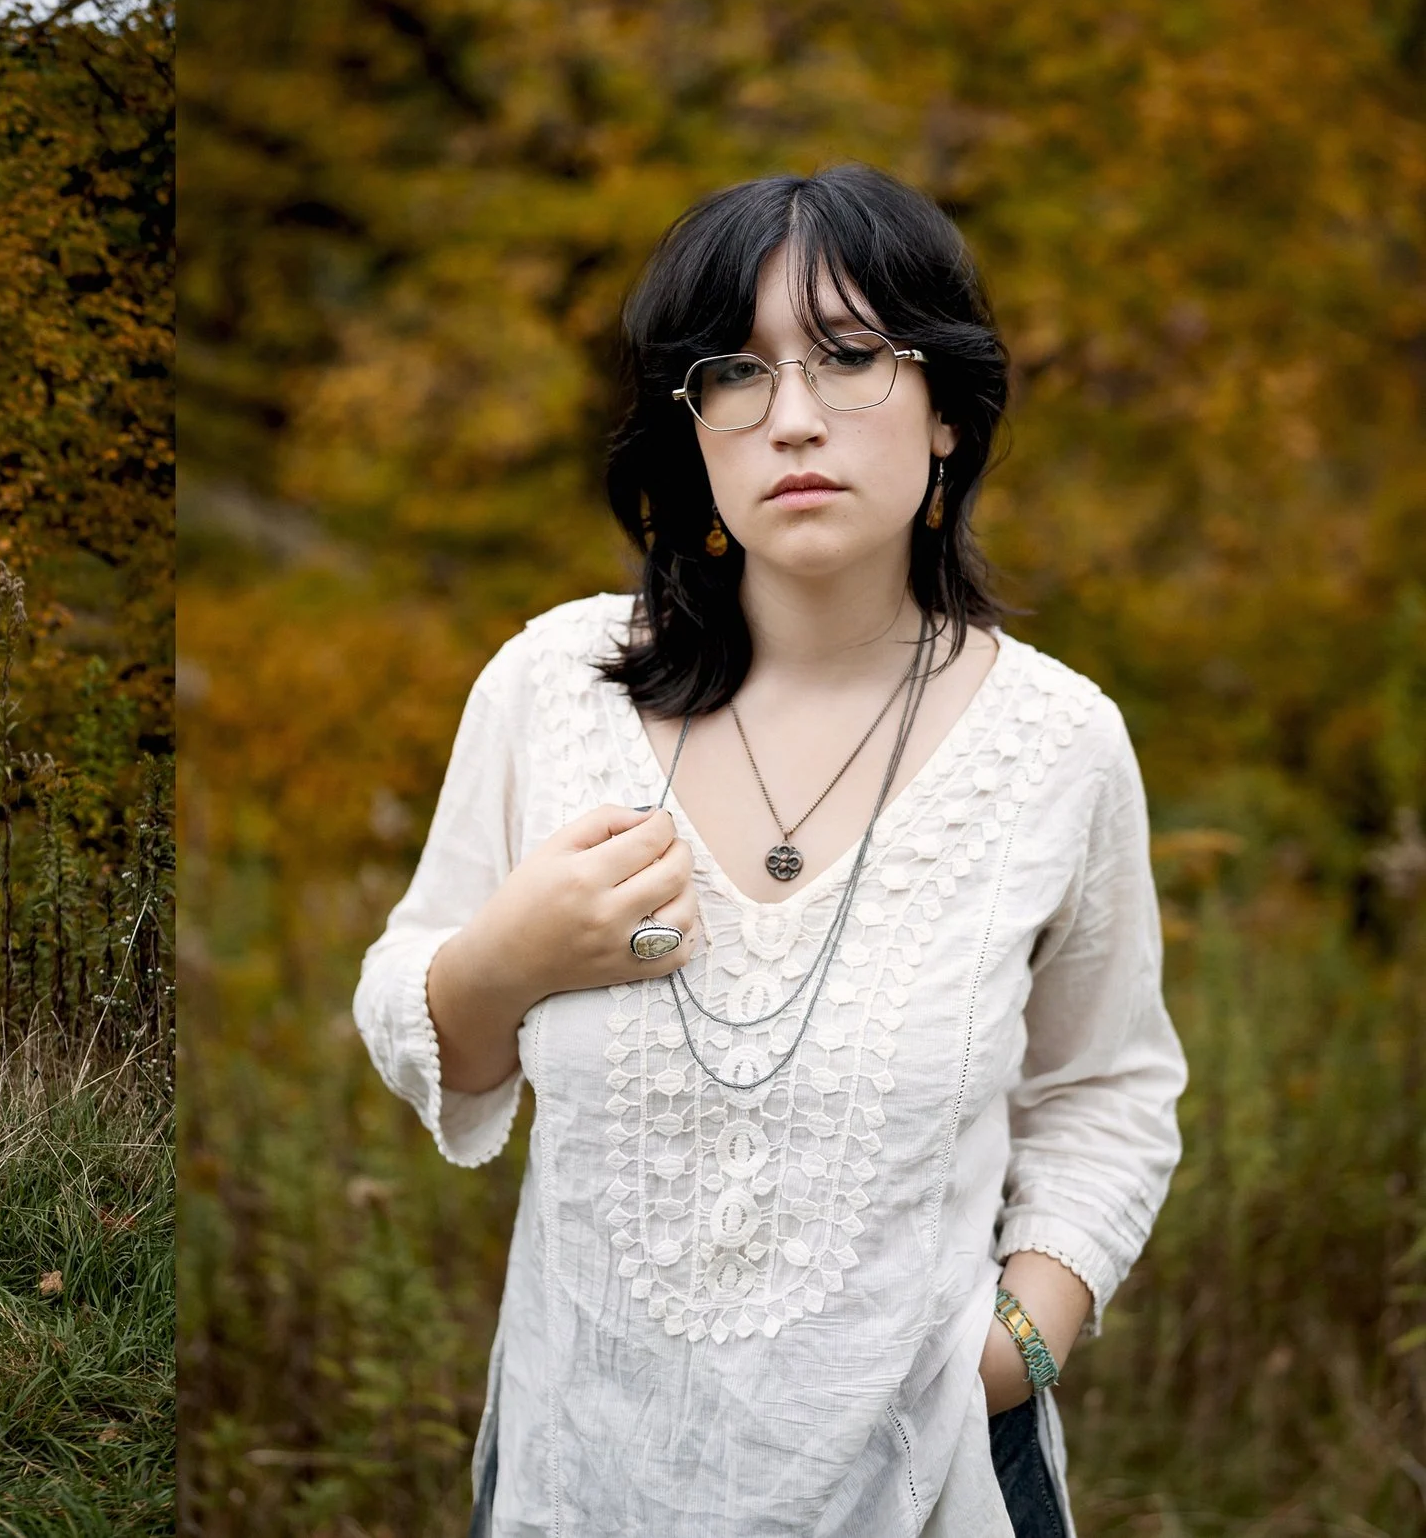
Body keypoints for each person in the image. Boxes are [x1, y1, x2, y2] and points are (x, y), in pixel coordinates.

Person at [352, 164, 1186, 1537]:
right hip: (585, 1473)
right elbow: (408, 993)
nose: (792, 415)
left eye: (853, 357)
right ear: (692, 431)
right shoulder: (554, 686)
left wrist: (1020, 1341)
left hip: (932, 1483)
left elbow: (1108, 1087)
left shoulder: (1058, 743)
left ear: (949, 413)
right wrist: (504, 960)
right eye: (735, 372)